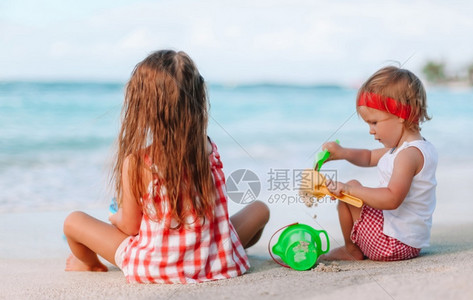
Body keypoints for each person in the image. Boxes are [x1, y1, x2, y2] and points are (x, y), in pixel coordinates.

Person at [63, 50, 270, 283]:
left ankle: (88, 264)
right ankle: (228, 251)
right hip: (215, 259)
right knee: (260, 209)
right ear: (198, 99)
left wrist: (116, 218)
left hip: (155, 265)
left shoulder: (138, 161)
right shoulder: (208, 148)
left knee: (74, 221)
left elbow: (130, 228)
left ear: (142, 107)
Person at [319, 66, 437, 261]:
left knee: (351, 191)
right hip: (408, 241)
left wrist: (348, 189)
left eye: (374, 122)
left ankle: (351, 249)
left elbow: (391, 199)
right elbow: (368, 157)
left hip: (393, 243)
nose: (371, 131)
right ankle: (354, 246)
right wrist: (343, 153)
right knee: (352, 190)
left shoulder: (408, 155)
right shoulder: (413, 148)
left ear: (400, 114)